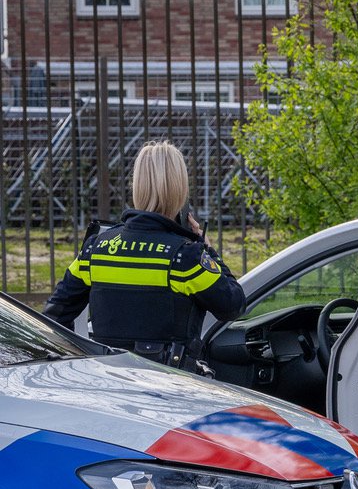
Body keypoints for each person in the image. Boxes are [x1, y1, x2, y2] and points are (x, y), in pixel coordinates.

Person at [45, 140, 245, 373]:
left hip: (109, 387)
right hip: (171, 389)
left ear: (137, 186)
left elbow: (54, 318)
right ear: (180, 190)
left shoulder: (96, 249)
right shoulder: (185, 258)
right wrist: (209, 250)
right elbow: (234, 304)